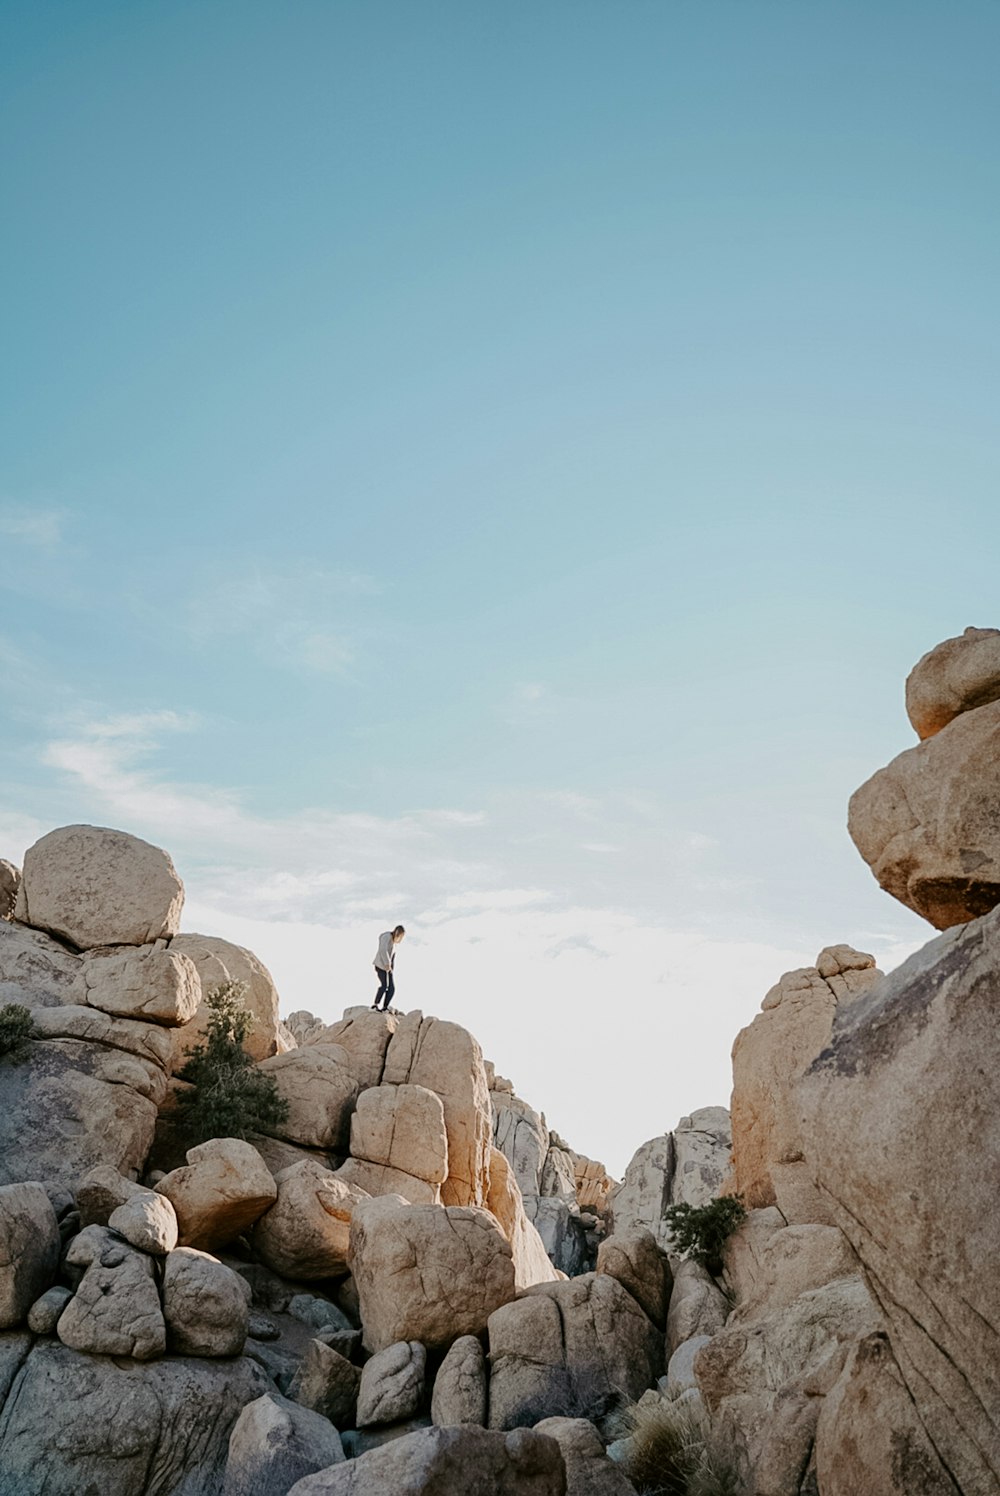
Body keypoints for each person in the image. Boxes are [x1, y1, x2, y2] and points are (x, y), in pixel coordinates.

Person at [372, 924, 405, 1012]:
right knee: (384, 986)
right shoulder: (386, 936)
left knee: (391, 988)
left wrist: (391, 969)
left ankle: (385, 1007)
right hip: (380, 965)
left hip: (388, 969)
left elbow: (393, 957)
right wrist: (387, 964)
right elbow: (383, 950)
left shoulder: (394, 944)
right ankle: (374, 1005)